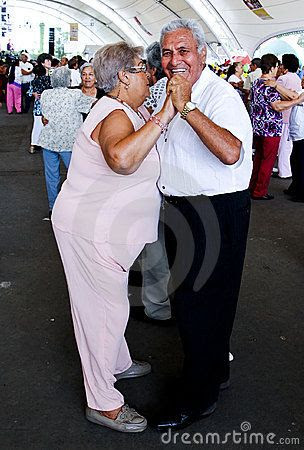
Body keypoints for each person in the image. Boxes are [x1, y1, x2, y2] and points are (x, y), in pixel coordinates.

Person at [51, 42, 175, 432]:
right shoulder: (114, 114)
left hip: (104, 232)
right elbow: (121, 159)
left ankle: (118, 363)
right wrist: (168, 112)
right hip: (90, 231)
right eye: (141, 68)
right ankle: (102, 401)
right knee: (101, 314)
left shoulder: (130, 110)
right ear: (122, 77)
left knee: (109, 305)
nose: (149, 73)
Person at [151, 18, 253, 431]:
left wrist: (187, 106)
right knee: (196, 300)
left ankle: (198, 397)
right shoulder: (165, 88)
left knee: (200, 305)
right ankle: (213, 372)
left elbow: (231, 153)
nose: (175, 60)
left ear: (203, 55)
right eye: (167, 53)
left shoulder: (218, 94)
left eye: (183, 51)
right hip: (181, 208)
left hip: (214, 210)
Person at [133, 42, 171, 323]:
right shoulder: (201, 89)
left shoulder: (155, 92)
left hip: (156, 180)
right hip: (183, 183)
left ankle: (158, 306)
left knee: (156, 246)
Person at [38, 66, 94, 220]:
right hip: (69, 143)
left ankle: (53, 208)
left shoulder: (45, 94)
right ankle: (76, 208)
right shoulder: (75, 94)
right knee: (76, 175)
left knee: (51, 177)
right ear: (69, 80)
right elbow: (92, 106)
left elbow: (45, 114)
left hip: (48, 141)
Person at [249, 54, 302, 200]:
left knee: (258, 159)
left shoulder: (256, 82)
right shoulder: (269, 85)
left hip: (257, 127)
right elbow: (277, 106)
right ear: (272, 67)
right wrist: (295, 102)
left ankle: (253, 186)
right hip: (270, 128)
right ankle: (260, 191)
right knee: (267, 160)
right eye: (277, 67)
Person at [275, 54, 302, 179]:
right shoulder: (296, 77)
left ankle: (284, 171)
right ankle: (286, 170)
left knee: (283, 146)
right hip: (293, 116)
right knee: (289, 146)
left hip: (282, 115)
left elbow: (276, 97)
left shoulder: (282, 79)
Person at [28, 53, 52, 154]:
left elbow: (30, 91)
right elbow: (30, 91)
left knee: (38, 124)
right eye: (47, 60)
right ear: (42, 63)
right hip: (45, 105)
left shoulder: (38, 78)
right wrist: (33, 93)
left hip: (40, 105)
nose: (49, 62)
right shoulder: (47, 79)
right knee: (41, 124)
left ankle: (34, 144)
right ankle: (37, 144)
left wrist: (33, 93)